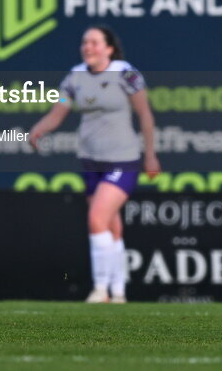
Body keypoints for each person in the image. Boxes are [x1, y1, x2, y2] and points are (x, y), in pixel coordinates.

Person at [29, 26, 160, 304]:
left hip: (123, 159)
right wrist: (38, 130)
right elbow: (58, 111)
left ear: (109, 48)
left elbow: (145, 114)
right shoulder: (75, 78)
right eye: (84, 42)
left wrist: (150, 155)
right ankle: (119, 291)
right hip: (91, 160)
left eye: (94, 42)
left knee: (96, 219)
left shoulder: (126, 74)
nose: (88, 47)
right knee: (111, 225)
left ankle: (100, 290)